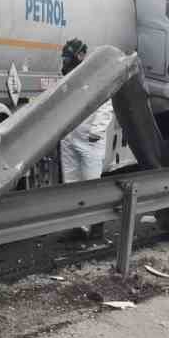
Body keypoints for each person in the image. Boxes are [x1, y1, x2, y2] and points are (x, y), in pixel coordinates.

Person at [59, 39, 113, 240]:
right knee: (72, 184)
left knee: (91, 184)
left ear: (81, 55)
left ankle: (97, 230)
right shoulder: (67, 77)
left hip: (90, 139)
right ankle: (78, 228)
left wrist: (96, 130)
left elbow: (106, 104)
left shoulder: (95, 76)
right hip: (70, 137)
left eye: (69, 56)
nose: (66, 61)